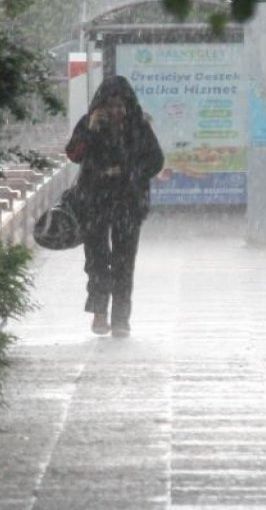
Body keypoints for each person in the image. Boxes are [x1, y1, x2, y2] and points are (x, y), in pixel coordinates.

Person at [65, 76, 165, 337]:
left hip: (128, 203)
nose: (116, 112)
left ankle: (121, 319)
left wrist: (130, 173)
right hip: (94, 202)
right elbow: (74, 154)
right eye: (110, 106)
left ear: (128, 106)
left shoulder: (139, 127)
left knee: (123, 263)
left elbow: (156, 160)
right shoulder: (89, 124)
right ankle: (99, 312)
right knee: (97, 260)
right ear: (101, 106)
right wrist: (89, 129)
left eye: (121, 106)